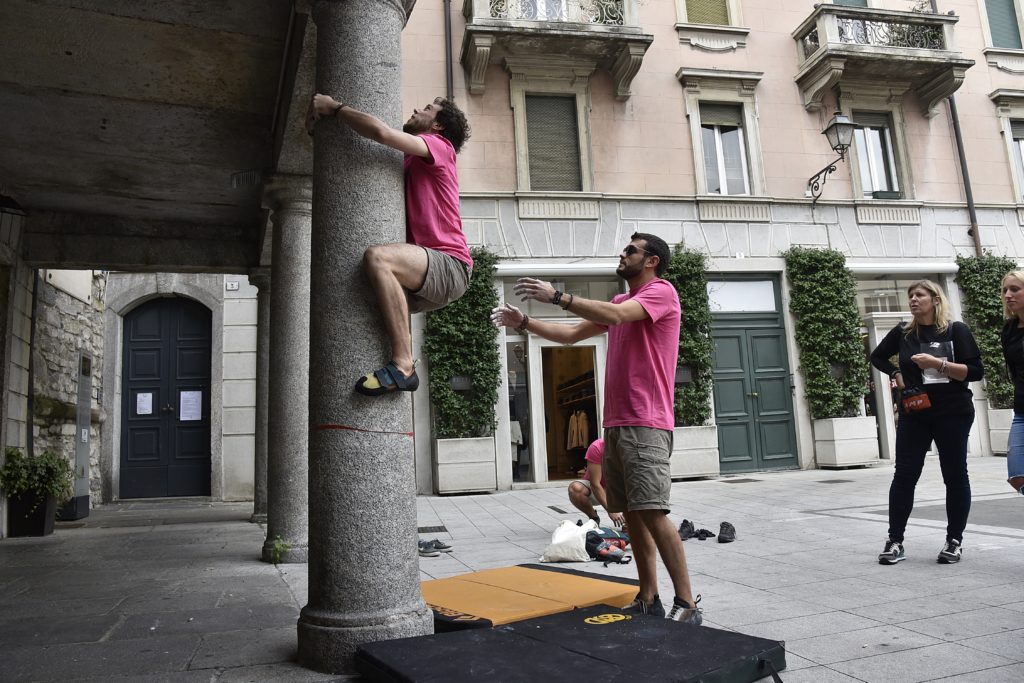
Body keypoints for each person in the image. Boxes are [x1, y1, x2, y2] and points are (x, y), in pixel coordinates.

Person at [491, 233, 701, 624]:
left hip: (647, 422)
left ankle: (687, 604)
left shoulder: (661, 293)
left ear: (652, 260)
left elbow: (620, 317)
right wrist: (526, 321)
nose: (622, 254)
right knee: (633, 516)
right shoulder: (619, 302)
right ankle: (648, 597)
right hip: (618, 424)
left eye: (631, 250)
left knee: (652, 512)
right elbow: (571, 335)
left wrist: (558, 296)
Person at [306, 94, 473, 396]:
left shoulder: (440, 146)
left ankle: (404, 366)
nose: (415, 107)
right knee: (365, 300)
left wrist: (336, 108)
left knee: (379, 259)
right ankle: (400, 361)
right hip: (431, 270)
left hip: (449, 263)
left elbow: (381, 132)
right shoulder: (413, 157)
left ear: (437, 125)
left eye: (425, 108)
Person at [870, 279, 983, 565]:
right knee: (904, 475)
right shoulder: (904, 332)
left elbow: (975, 372)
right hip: (915, 412)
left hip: (953, 412)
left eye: (919, 295)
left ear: (935, 299)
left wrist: (937, 364)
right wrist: (896, 373)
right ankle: (895, 540)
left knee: (955, 475)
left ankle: (954, 541)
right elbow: (878, 357)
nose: (913, 300)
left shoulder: (956, 330)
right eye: (910, 295)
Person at [999, 271, 1024, 497]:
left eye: (1015, 289)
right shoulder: (1008, 330)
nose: (1008, 295)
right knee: (1017, 475)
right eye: (1005, 290)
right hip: (1022, 410)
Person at [568, 438, 625, 528]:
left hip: (620, 489)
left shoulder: (631, 447)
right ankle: (594, 518)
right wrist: (611, 510)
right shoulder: (597, 447)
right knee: (575, 489)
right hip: (599, 489)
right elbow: (595, 484)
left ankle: (628, 521)